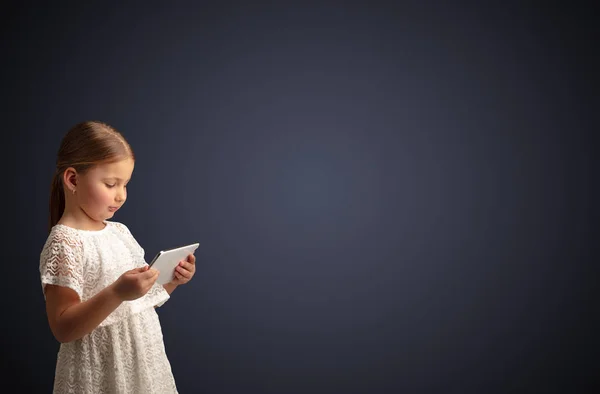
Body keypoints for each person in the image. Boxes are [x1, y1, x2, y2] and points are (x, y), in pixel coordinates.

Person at [39, 120, 197, 393]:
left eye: (125, 185)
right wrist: (117, 292)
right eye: (111, 184)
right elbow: (63, 328)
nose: (121, 196)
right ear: (73, 179)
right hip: (101, 370)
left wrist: (172, 280)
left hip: (143, 363)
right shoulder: (65, 242)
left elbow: (137, 302)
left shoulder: (119, 231)